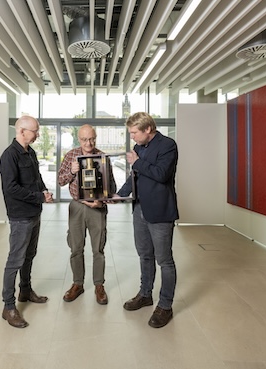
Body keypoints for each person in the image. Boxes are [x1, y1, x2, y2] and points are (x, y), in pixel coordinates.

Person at [115, 112, 178, 328]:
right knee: (144, 255)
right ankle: (145, 294)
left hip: (160, 212)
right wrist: (118, 194)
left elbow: (161, 174)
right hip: (139, 209)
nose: (132, 136)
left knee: (165, 261)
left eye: (134, 132)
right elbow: (134, 176)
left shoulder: (168, 145)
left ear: (147, 129)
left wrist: (138, 162)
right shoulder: (139, 148)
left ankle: (165, 306)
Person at [0, 115, 53, 328]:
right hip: (20, 216)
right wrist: (38, 197)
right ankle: (8, 306)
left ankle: (26, 291)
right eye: (35, 131)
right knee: (15, 260)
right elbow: (10, 188)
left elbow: (36, 178)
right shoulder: (9, 156)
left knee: (29, 255)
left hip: (34, 213)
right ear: (22, 131)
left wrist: (44, 191)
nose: (37, 134)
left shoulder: (30, 152)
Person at [57, 124, 115, 305]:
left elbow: (111, 187)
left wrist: (102, 202)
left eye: (92, 138)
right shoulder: (70, 156)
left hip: (97, 209)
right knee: (76, 248)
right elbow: (60, 180)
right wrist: (71, 172)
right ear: (78, 139)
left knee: (98, 249)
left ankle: (99, 285)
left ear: (95, 137)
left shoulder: (103, 158)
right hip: (77, 206)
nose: (89, 143)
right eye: (84, 139)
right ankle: (78, 284)